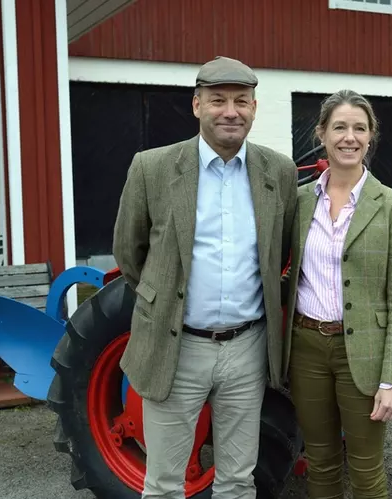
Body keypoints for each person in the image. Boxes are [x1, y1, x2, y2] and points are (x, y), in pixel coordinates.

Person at [112, 56, 298, 499]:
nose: (230, 111)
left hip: (248, 349)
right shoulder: (152, 168)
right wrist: (168, 304)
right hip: (177, 348)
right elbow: (130, 254)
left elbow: (283, 251)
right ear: (197, 105)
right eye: (218, 100)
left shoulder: (279, 172)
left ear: (255, 108)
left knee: (237, 480)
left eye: (241, 101)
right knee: (163, 483)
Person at [283, 89, 392, 498]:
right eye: (339, 127)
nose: (349, 137)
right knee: (320, 461)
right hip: (306, 347)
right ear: (321, 133)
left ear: (371, 136)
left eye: (360, 128)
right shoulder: (300, 199)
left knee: (365, 467)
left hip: (362, 353)